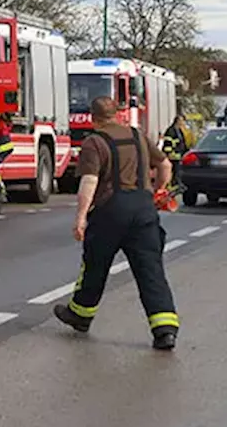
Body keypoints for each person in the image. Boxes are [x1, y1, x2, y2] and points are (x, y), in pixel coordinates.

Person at [56, 95, 179, 350]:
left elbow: (89, 181)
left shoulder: (94, 142)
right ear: (118, 114)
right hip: (144, 211)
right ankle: (165, 330)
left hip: (110, 213)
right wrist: (158, 191)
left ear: (93, 117)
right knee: (151, 271)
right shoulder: (138, 136)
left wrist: (80, 218)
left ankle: (80, 315)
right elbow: (165, 164)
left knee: (95, 266)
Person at [160, 115, 189, 194]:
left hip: (178, 155)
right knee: (172, 172)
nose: (183, 123)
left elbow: (182, 143)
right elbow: (167, 143)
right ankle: (170, 187)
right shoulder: (171, 131)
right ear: (177, 121)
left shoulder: (179, 130)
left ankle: (176, 186)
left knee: (177, 171)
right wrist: (169, 153)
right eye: (182, 121)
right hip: (172, 156)